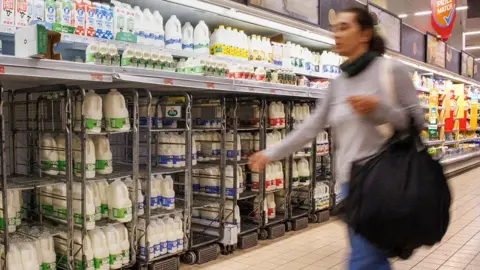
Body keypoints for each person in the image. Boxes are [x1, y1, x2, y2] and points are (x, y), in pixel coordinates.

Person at [248, 7, 424, 270]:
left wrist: (379, 109)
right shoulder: (338, 84)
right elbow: (310, 127)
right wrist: (270, 154)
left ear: (364, 34)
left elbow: (417, 120)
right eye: (335, 29)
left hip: (383, 182)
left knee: (364, 259)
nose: (336, 34)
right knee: (368, 256)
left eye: (344, 27)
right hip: (349, 183)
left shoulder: (390, 70)